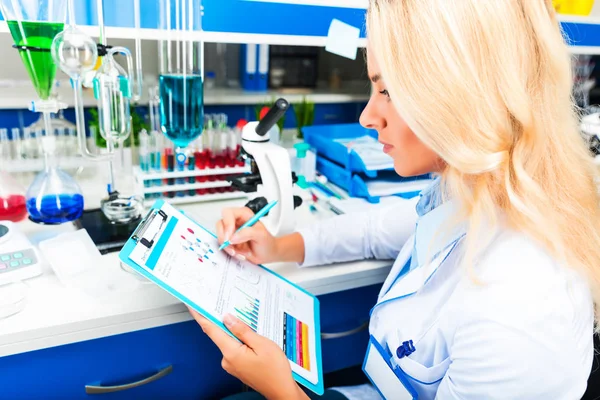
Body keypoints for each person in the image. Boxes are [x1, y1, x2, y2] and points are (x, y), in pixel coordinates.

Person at [188, 0, 600, 398]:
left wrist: (281, 390)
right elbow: (377, 229)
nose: (368, 117)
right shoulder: (470, 190)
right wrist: (279, 246)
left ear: (463, 95)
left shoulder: (521, 309)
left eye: (387, 90)